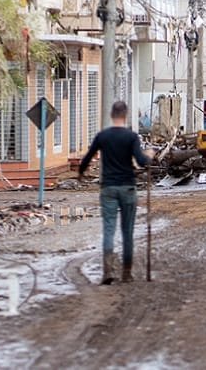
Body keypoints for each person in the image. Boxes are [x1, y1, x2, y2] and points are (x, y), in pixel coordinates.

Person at [79, 101, 155, 285]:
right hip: (127, 187)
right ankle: (127, 273)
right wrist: (149, 156)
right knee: (127, 231)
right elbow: (141, 161)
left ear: (112, 115)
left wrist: (81, 173)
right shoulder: (131, 137)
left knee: (109, 230)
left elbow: (87, 157)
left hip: (108, 188)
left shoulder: (103, 136)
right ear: (125, 115)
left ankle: (108, 271)